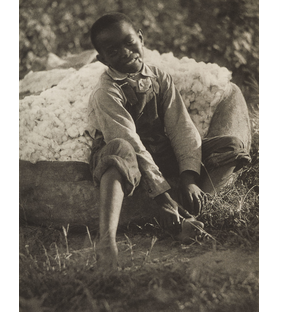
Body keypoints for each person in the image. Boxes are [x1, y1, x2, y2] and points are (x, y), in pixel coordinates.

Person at [87, 12, 251, 268]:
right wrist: (161, 195)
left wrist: (189, 179)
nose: (126, 52)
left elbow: (181, 128)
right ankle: (107, 242)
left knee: (231, 146)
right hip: (126, 155)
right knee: (120, 150)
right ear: (102, 59)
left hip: (158, 151)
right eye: (113, 50)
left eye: (129, 42)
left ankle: (192, 212)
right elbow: (128, 139)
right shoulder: (106, 91)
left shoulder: (159, 78)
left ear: (140, 38)